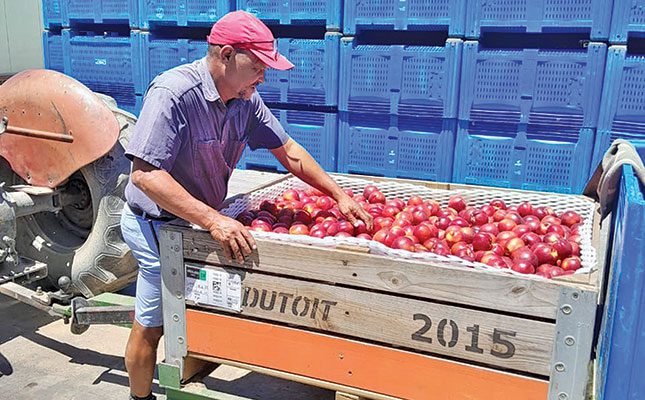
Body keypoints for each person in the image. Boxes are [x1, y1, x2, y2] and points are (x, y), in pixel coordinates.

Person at [119, 10, 373, 400]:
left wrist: (338, 195)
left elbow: (288, 150)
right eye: (256, 67)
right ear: (225, 54)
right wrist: (213, 219)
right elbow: (146, 175)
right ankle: (140, 397)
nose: (262, 78)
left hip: (199, 223)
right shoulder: (173, 95)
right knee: (151, 323)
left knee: (199, 305)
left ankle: (194, 354)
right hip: (155, 225)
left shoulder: (244, 101)